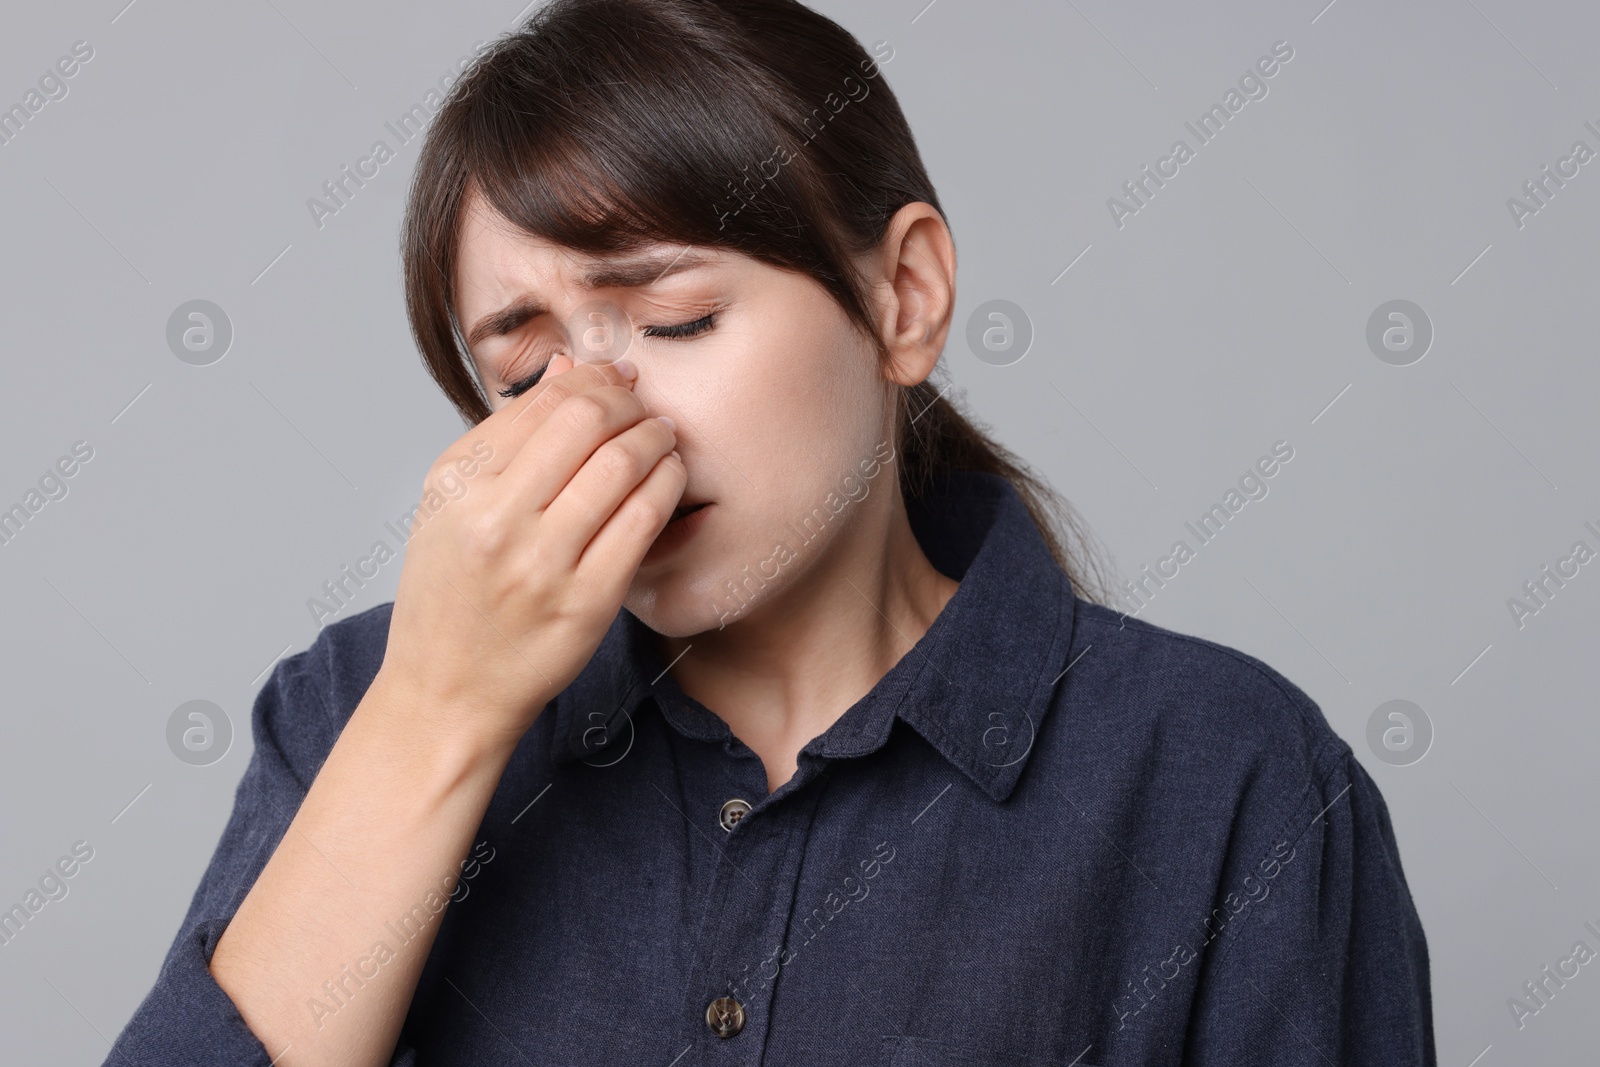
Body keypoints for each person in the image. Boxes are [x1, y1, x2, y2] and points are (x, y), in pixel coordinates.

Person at [105, 1, 1435, 1064]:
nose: (593, 418)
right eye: (521, 374)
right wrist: (437, 717)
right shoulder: (357, 708)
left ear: (904, 296)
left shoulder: (1230, 778)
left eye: (674, 320)